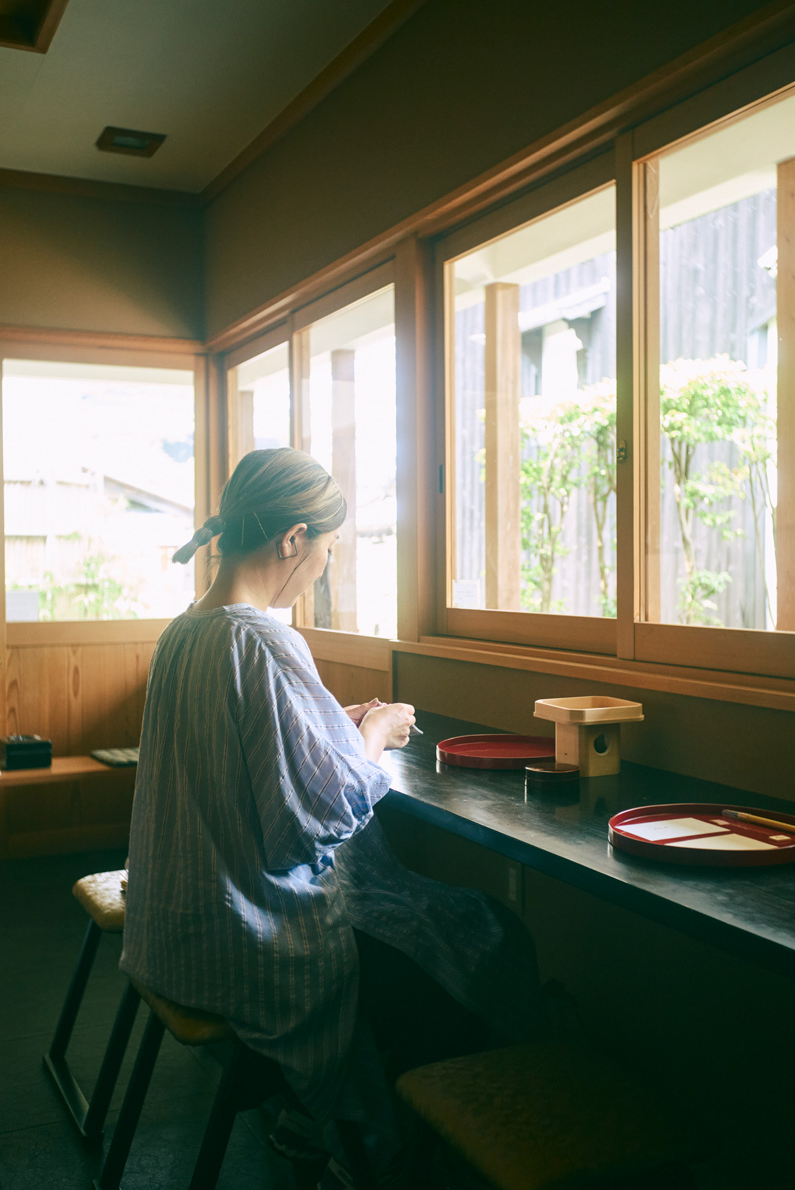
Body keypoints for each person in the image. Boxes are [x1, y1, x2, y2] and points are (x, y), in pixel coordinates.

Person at [120, 447, 542, 1190]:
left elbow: (248, 750)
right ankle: (380, 1144)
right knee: (483, 935)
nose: (326, 566)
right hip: (243, 938)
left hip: (176, 923)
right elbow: (319, 814)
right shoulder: (262, 638)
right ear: (291, 538)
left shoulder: (187, 630)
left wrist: (331, 725)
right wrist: (373, 733)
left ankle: (323, 1115)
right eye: (327, 548)